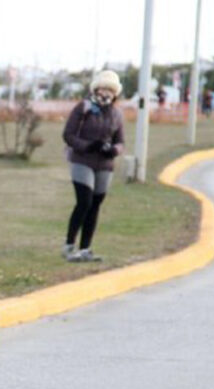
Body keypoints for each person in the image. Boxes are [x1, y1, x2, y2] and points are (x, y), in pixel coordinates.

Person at [61, 69, 125, 263]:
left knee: (95, 205)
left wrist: (113, 150)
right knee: (84, 202)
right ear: (95, 89)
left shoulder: (117, 114)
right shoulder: (84, 107)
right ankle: (69, 245)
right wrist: (88, 146)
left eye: (110, 90)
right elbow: (68, 135)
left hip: (105, 164)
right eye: (103, 88)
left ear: (115, 93)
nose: (106, 93)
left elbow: (120, 141)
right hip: (82, 160)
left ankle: (85, 248)